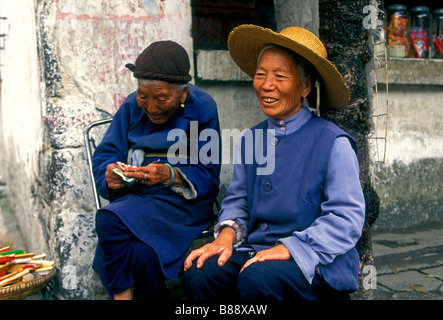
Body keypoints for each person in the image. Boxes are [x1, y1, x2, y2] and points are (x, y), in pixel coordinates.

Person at [182, 25, 365, 300]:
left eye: (280, 76)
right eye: (260, 75)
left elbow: (346, 218)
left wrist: (293, 248)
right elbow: (238, 201)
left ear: (305, 86)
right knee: (200, 273)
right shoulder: (251, 139)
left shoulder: (333, 142)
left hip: (318, 260)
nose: (267, 85)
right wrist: (226, 236)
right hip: (258, 251)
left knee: (257, 279)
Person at [92, 40, 221, 300]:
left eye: (162, 97)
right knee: (143, 253)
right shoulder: (130, 106)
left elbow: (208, 174)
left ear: (183, 94)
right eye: (143, 95)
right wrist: (111, 175)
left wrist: (171, 175)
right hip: (138, 200)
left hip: (183, 206)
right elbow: (106, 155)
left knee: (109, 219)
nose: (151, 107)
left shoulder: (203, 107)